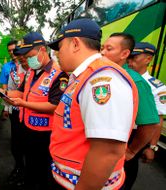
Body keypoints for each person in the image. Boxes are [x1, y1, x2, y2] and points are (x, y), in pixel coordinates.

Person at [48, 18, 139, 190]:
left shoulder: (101, 79)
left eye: (59, 48)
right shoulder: (83, 76)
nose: (57, 55)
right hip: (67, 178)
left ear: (75, 44)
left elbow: (107, 151)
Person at [0, 32, 69, 190]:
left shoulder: (59, 75)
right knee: (30, 164)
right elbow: (21, 92)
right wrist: (3, 93)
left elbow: (55, 106)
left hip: (45, 133)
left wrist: (24, 104)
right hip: (28, 128)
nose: (26, 59)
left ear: (42, 50)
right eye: (24, 56)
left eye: (29, 55)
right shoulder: (31, 72)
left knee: (43, 170)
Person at [101, 33, 159, 190]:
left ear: (124, 54)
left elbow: (151, 122)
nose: (103, 52)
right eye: (102, 48)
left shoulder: (136, 81)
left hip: (123, 142)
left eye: (109, 48)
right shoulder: (104, 74)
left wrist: (132, 151)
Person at [128, 42, 166, 162]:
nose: (129, 62)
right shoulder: (121, 78)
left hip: (135, 135)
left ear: (148, 59)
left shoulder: (157, 87)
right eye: (129, 58)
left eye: (134, 58)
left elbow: (157, 120)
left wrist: (152, 146)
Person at [5, 45, 30, 187]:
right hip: (16, 111)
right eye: (20, 58)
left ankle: (27, 172)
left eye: (24, 57)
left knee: (29, 145)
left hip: (32, 113)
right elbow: (10, 90)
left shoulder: (37, 72)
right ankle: (19, 167)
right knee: (16, 144)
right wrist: (7, 108)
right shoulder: (14, 72)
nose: (22, 60)